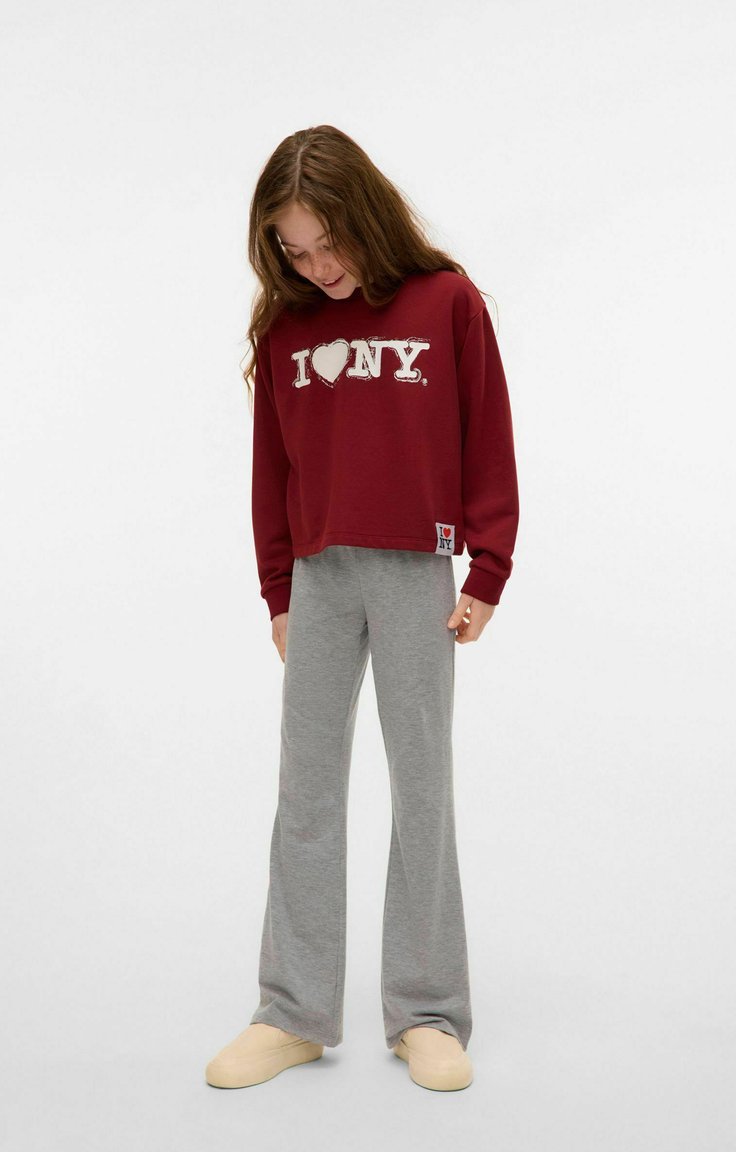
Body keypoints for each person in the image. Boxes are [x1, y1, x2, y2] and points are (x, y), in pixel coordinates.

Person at [205, 125, 519, 1093]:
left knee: (421, 787)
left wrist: (487, 568)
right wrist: (278, 589)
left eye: (327, 242)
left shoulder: (446, 301)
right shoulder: (286, 329)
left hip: (417, 570)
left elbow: (488, 433)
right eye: (293, 250)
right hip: (319, 578)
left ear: (366, 216)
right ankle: (292, 1012)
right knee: (305, 790)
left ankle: (426, 1011)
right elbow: (270, 470)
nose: (315, 265)